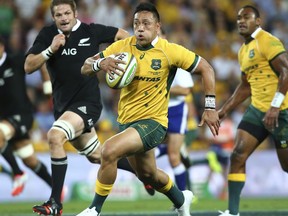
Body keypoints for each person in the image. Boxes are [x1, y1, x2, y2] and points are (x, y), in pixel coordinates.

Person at [78, 2, 220, 216]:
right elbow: (85, 67)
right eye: (136, 23)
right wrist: (101, 64)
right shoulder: (121, 47)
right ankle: (182, 199)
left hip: (154, 123)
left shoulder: (169, 51)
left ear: (157, 26)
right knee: (148, 175)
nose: (140, 28)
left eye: (146, 23)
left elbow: (206, 69)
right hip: (127, 122)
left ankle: (93, 210)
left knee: (109, 150)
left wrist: (209, 106)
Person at [24, 0, 129, 215]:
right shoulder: (47, 35)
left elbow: (123, 35)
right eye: (58, 15)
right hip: (63, 108)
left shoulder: (92, 31)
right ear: (53, 17)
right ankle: (146, 173)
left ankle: (55, 203)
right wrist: (50, 50)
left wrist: (115, 57)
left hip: (87, 104)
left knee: (55, 136)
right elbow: (28, 66)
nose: (63, 18)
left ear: (75, 14)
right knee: (98, 156)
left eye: (66, 13)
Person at [218, 5, 288, 216]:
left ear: (258, 21)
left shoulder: (267, 41)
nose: (241, 21)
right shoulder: (242, 51)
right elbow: (245, 86)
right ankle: (233, 212)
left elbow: (286, 72)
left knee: (286, 167)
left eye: (246, 17)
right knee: (238, 155)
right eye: (239, 18)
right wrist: (224, 110)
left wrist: (275, 106)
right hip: (257, 110)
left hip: (282, 111)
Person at [0, 35, 53, 197]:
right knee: (29, 159)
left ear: (2, 47)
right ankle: (57, 189)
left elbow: (40, 62)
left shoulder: (15, 60)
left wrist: (47, 86)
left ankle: (17, 174)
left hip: (22, 116)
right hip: (5, 121)